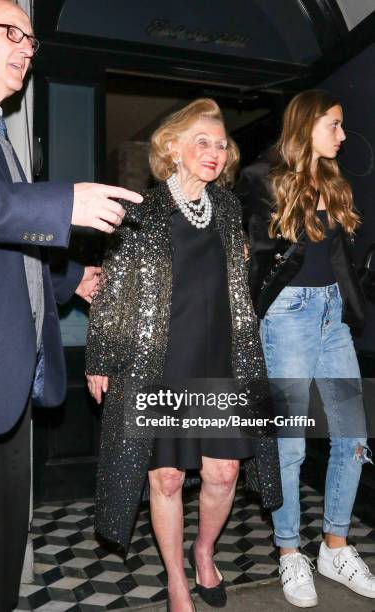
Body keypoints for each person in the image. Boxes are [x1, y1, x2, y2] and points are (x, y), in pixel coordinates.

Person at [0, 0, 142, 609]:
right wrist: (58, 204)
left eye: (32, 39)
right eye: (11, 31)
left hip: (11, 376)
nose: (25, 46)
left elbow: (4, 243)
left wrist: (71, 282)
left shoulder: (4, 136)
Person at [85, 99, 282, 612]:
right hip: (160, 364)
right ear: (172, 148)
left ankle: (203, 550)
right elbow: (115, 287)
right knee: (167, 476)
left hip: (220, 362)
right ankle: (176, 580)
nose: (214, 152)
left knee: (223, 473)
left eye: (221, 144)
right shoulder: (142, 212)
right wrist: (101, 356)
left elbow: (240, 285)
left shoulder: (230, 209)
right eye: (202, 141)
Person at [236, 89, 375, 608]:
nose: (342, 134)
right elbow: (251, 254)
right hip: (287, 316)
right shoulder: (259, 178)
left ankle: (335, 546)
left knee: (353, 436)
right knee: (290, 444)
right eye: (334, 124)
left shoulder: (335, 183)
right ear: (307, 125)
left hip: (332, 316)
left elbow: (339, 258)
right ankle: (290, 551)